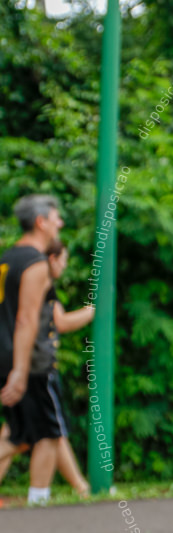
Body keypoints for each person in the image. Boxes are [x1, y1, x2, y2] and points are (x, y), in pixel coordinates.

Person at [0, 239, 94, 499]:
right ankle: (41, 498)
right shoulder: (38, 279)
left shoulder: (21, 277)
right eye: (63, 260)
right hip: (34, 367)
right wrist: (89, 313)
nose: (64, 266)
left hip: (19, 364)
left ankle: (79, 488)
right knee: (36, 435)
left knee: (36, 432)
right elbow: (59, 321)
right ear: (51, 259)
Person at [0, 195, 68, 506]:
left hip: (4, 351)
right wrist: (21, 370)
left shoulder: (7, 258)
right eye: (56, 217)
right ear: (41, 222)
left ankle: (39, 502)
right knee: (48, 433)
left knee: (19, 435)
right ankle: (38, 505)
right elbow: (26, 318)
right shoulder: (35, 262)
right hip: (27, 359)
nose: (60, 223)